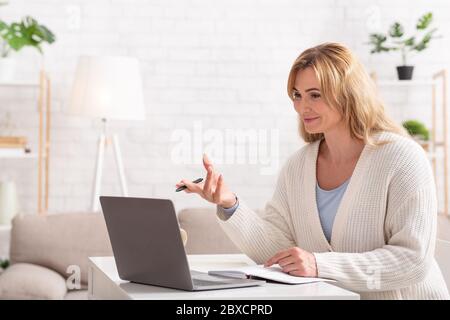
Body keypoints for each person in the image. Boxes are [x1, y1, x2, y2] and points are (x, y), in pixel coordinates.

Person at [176, 43, 450, 300]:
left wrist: (319, 264)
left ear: (348, 94)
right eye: (297, 95)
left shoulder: (402, 158)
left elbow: (412, 261)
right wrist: (229, 205)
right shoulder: (298, 166)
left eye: (315, 95)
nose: (301, 106)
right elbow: (278, 253)